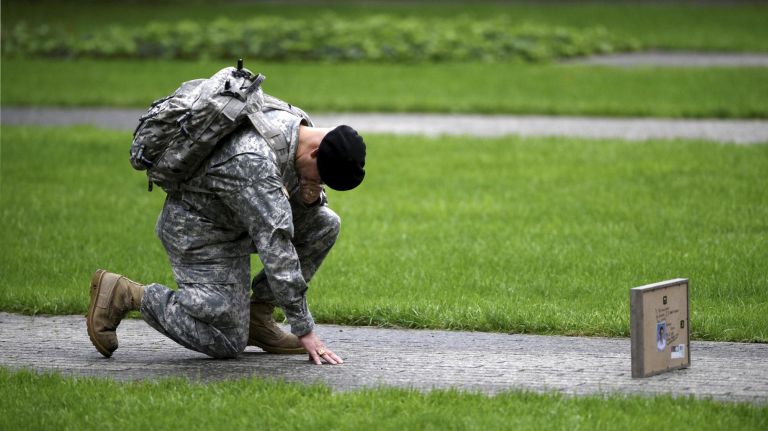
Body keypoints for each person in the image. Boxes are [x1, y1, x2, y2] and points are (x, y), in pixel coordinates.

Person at [86, 101, 366, 365]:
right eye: (319, 177)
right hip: (200, 229)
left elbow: (286, 214)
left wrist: (309, 198)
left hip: (238, 221)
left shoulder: (302, 131)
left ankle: (258, 318)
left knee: (325, 223)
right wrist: (304, 328)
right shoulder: (254, 159)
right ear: (316, 150)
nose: (317, 183)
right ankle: (128, 294)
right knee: (227, 341)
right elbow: (276, 245)